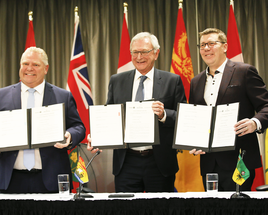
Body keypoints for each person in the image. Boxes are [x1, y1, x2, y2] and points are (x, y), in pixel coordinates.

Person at [88, 32, 186, 192]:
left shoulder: (172, 80)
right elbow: (109, 117)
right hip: (126, 162)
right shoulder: (116, 80)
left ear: (156, 53)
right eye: (135, 52)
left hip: (159, 162)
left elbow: (183, 118)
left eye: (145, 52)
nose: (139, 56)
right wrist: (97, 137)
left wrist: (163, 115)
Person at [0, 47, 85, 193]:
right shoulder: (1, 95)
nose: (29, 68)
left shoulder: (63, 96)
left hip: (51, 178)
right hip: (11, 179)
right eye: (25, 64)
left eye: (36, 64)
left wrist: (70, 135)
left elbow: (78, 126)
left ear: (46, 68)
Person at [189, 28, 268, 191]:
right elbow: (195, 119)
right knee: (213, 208)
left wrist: (255, 123)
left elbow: (266, 105)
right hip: (209, 163)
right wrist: (194, 140)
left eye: (211, 43)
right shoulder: (195, 81)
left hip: (240, 160)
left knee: (238, 208)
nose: (206, 48)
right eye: (202, 45)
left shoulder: (244, 72)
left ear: (225, 47)